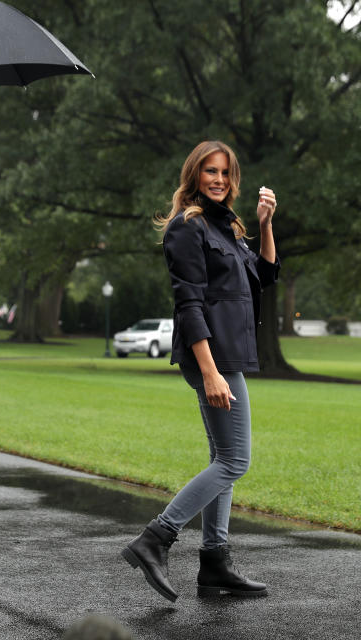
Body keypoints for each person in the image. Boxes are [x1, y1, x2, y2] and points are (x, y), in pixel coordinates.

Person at [121, 140, 279, 601]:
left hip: (228, 355)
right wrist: (210, 371)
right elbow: (188, 303)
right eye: (210, 171)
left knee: (224, 460)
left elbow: (265, 277)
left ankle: (214, 564)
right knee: (235, 460)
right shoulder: (186, 228)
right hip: (211, 357)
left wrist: (265, 225)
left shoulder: (227, 225)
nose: (219, 179)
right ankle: (156, 539)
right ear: (195, 174)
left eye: (226, 173)